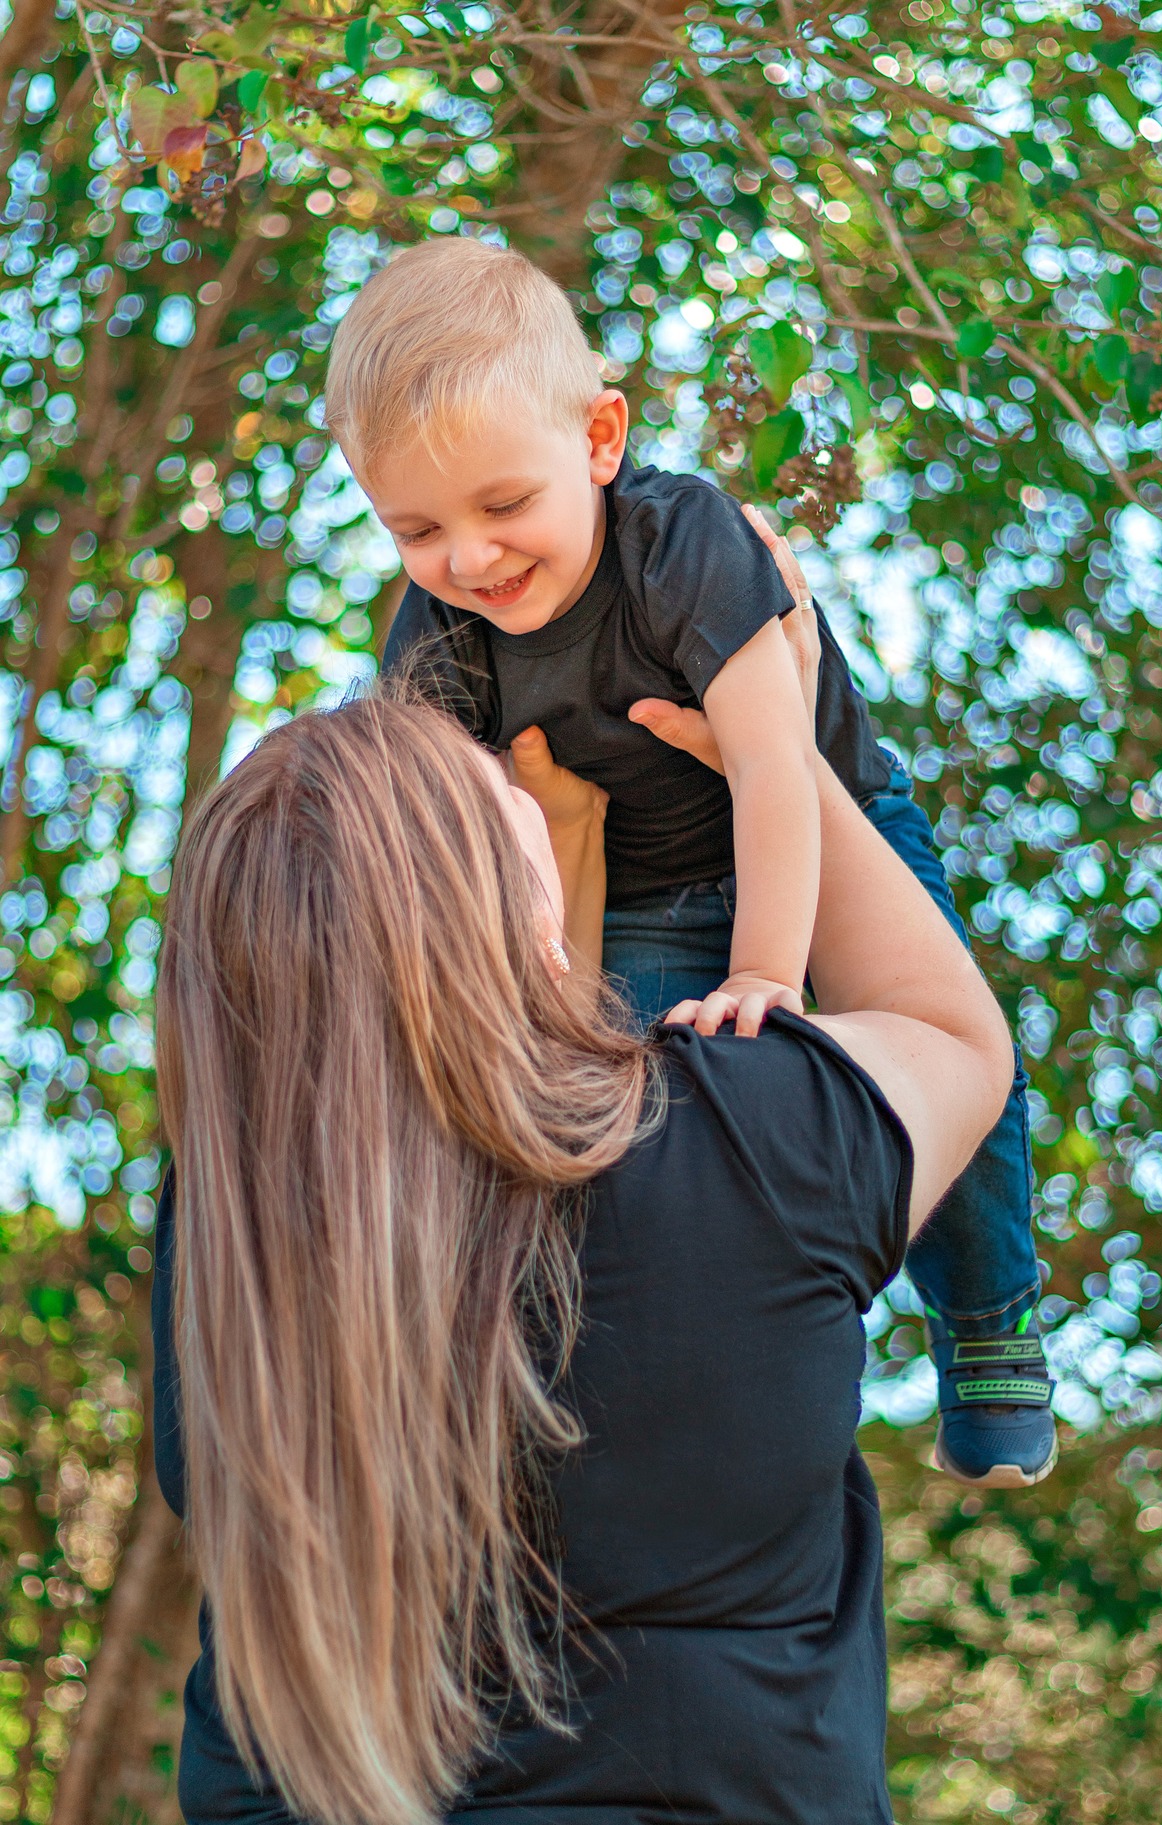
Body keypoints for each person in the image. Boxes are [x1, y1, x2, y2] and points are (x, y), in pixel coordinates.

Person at [152, 527, 1014, 1824]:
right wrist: (776, 729)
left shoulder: (228, 1264)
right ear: (500, 922)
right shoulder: (740, 1141)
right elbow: (956, 1038)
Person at [321, 236, 1055, 1487]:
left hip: (825, 821)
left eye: (504, 505)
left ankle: (988, 1319)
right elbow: (495, 876)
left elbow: (770, 763)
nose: (472, 558)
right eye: (418, 529)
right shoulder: (435, 641)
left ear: (599, 441)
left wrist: (772, 967)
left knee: (952, 1053)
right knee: (645, 1128)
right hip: (649, 892)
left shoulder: (681, 544)